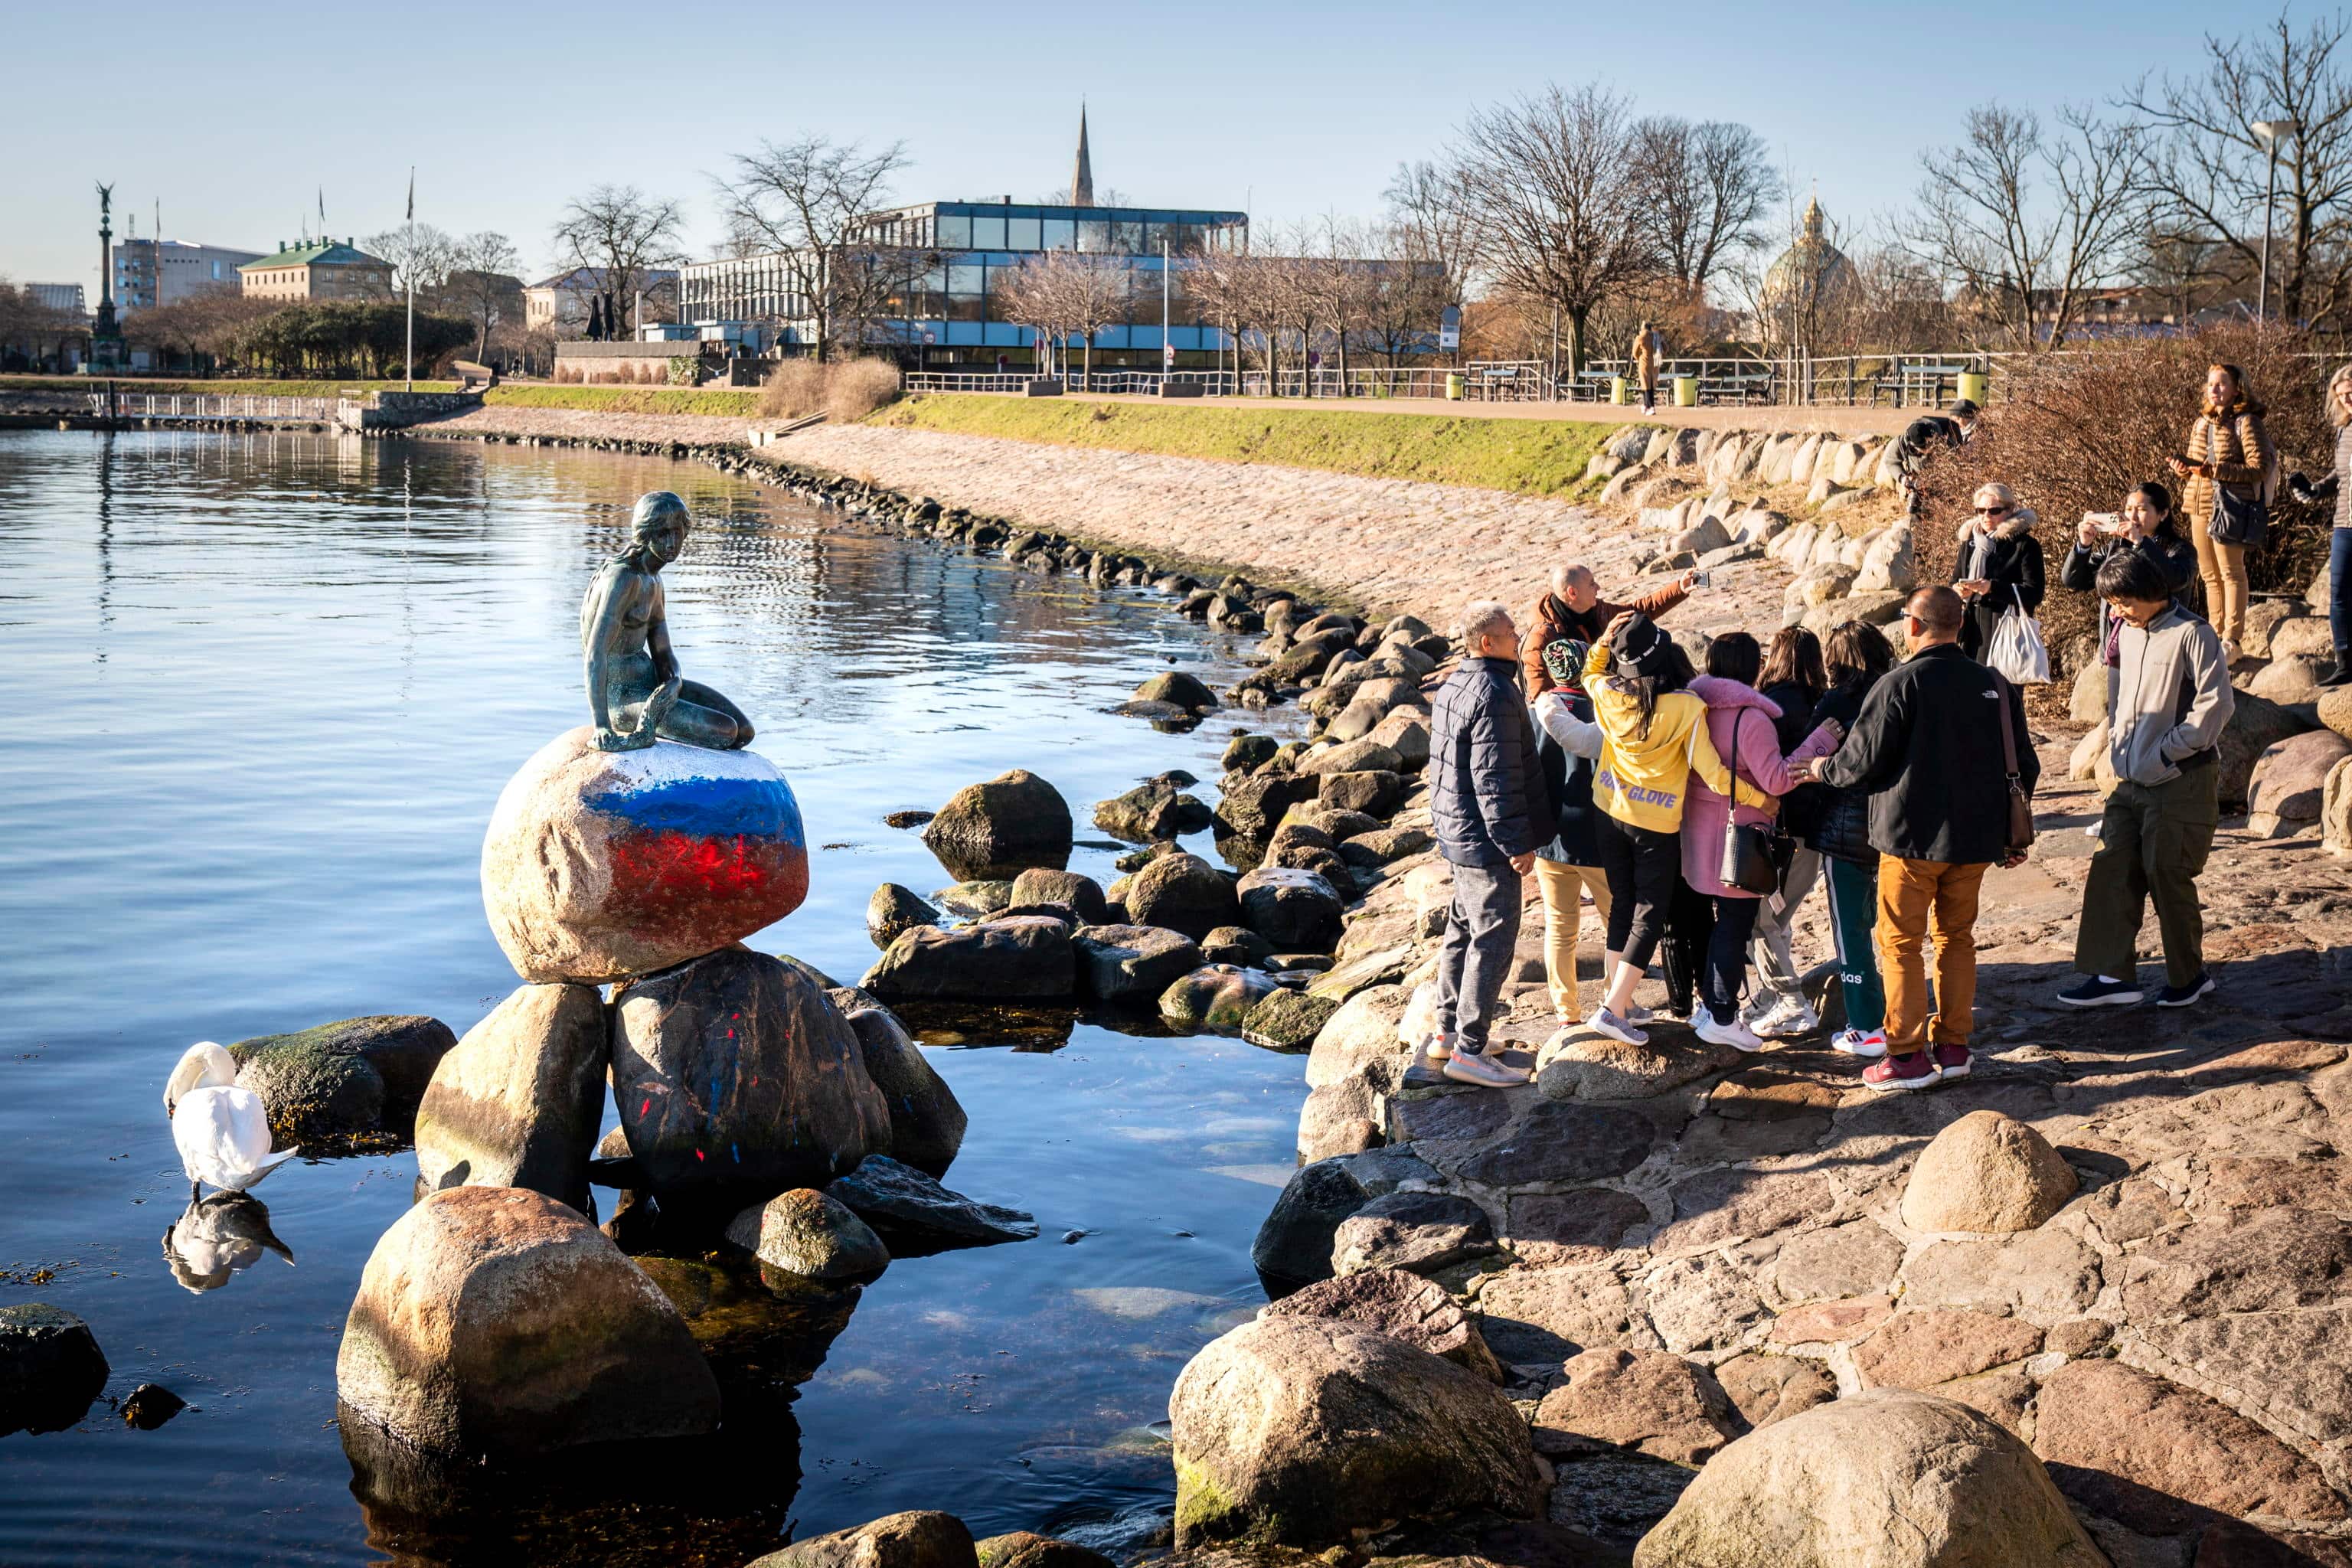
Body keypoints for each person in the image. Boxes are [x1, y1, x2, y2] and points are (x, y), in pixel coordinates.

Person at [1794, 586, 2038, 1091]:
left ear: (1912, 625)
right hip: (1974, 843)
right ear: (1962, 624)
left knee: (1901, 944)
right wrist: (2007, 835)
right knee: (1957, 940)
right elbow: (2025, 767)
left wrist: (1820, 767)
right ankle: (1953, 1048)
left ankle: (1905, 1057)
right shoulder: (1996, 683)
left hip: (1909, 843)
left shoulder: (1899, 684)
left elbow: (1858, 764)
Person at [1581, 613, 1771, 1046]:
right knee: (1649, 916)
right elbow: (1716, 775)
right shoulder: (1686, 707)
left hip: (1607, 808)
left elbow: (1589, 671)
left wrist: (1604, 642)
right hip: (1656, 822)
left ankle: (1623, 1001)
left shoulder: (1607, 693)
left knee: (1623, 905)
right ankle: (1613, 1010)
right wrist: (1762, 800)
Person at [2060, 550, 2234, 1009]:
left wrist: (2164, 753)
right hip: (2128, 779)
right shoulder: (2124, 634)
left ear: (2152, 592)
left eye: (2123, 601)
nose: (2115, 610)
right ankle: (2112, 976)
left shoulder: (2194, 634)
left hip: (2181, 778)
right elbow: (2118, 703)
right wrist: (2118, 749)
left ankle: (2189, 977)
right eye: (2112, 602)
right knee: (2110, 867)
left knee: (2167, 872)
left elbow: (2215, 709)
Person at [1676, 632, 1842, 1050]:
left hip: (1698, 833)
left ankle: (1713, 1007)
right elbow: (1777, 780)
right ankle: (1723, 1014)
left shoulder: (1694, 709)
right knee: (1736, 925)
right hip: (1740, 839)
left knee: (1720, 925)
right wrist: (1819, 743)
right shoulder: (1751, 718)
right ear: (1752, 667)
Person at [1423, 600, 1545, 1086]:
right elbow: (1494, 780)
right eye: (1510, 632)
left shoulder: (1458, 680)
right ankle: (1469, 1052)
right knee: (1492, 938)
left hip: (1457, 832)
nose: (1519, 637)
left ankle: (1447, 1032)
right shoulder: (1494, 691)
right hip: (1485, 840)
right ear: (1487, 642)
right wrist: (1516, 843)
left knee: (1461, 929)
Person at [1802, 622, 1900, 1057]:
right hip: (1898, 828)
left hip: (1846, 832)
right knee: (1900, 931)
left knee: (1851, 932)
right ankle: (1904, 1015)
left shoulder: (1835, 701)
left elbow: (1808, 761)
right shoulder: (1900, 691)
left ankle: (1866, 1025)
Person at [1746, 627, 1832, 1037]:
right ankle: (1770, 997)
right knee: (1776, 918)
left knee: (1761, 920)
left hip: (1779, 832)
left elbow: (1767, 774)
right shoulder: (1825, 702)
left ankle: (1791, 1001)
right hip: (1817, 831)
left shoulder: (1770, 707)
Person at [1529, 640, 1616, 1023]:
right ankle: (1618, 1000)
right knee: (1617, 920)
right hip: (1598, 833)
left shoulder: (1534, 715)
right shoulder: (1605, 711)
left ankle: (1566, 1011)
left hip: (1550, 838)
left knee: (1560, 927)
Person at [2170, 362, 2275, 653]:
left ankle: (2233, 638)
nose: (2213, 389)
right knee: (2208, 575)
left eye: (2221, 383)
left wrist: (2217, 471)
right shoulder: (2202, 421)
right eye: (2210, 383)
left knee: (2231, 572)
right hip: (2199, 504)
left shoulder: (2248, 422)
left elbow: (2259, 467)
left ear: (2236, 388)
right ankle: (2215, 635)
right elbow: (2196, 466)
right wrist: (2183, 469)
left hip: (2231, 505)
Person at [2060, 482, 2198, 667]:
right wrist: (2084, 545)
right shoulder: (2117, 547)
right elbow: (2074, 580)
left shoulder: (2179, 549)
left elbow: (2176, 580)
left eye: (2141, 509)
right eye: (2128, 508)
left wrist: (2140, 543)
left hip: (2160, 651)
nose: (2132, 516)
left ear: (2163, 514)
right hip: (2118, 652)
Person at [1523, 564, 1697, 697]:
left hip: (1603, 698)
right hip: (1576, 719)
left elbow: (1637, 613)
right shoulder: (1542, 637)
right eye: (1592, 584)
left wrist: (1679, 589)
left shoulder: (1595, 610)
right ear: (1572, 593)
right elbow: (1541, 695)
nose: (1598, 587)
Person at [2288, 361, 2352, 687]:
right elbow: (2341, 476)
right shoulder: (2344, 429)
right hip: (2345, 523)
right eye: (2342, 396)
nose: (2347, 400)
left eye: (2351, 393)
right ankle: (2345, 663)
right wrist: (2313, 490)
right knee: (2339, 594)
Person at [1952, 482, 2047, 662]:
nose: (1986, 516)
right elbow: (1954, 581)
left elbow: (2035, 593)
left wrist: (1992, 588)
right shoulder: (1968, 544)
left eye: (1994, 511)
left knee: (2004, 688)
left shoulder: (2025, 546)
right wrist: (1958, 591)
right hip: (1971, 632)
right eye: (1980, 510)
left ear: (2010, 510)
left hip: (2006, 632)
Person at [1892, 398, 1980, 519]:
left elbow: (1960, 465)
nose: (1927, 452)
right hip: (1922, 485)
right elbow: (1890, 460)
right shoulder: (1904, 441)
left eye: (1931, 447)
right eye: (1922, 450)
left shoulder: (1950, 436)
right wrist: (1903, 478)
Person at [1632, 321, 1666, 415]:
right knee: (1651, 385)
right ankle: (1646, 406)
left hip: (1644, 363)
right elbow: (1666, 349)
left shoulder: (1640, 338)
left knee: (1645, 386)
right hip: (1655, 364)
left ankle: (1650, 407)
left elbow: (1634, 353)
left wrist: (1640, 358)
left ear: (1643, 328)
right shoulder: (1656, 337)